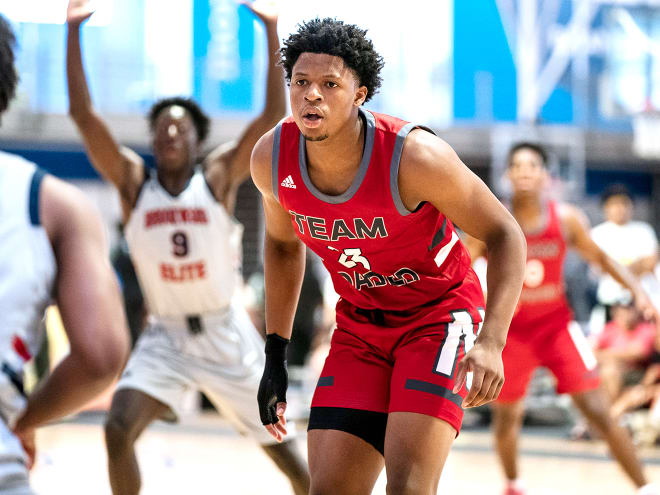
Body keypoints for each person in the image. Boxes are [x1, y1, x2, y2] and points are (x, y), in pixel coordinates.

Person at [251, 18, 527, 494]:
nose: (311, 95)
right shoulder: (272, 158)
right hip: (359, 324)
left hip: (437, 317)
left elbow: (505, 233)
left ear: (360, 93)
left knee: (409, 488)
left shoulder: (415, 156)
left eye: (329, 84)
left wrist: (493, 341)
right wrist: (275, 353)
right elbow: (280, 244)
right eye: (300, 82)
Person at [65, 1, 309, 494]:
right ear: (153, 139)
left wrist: (271, 29)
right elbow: (84, 116)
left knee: (287, 454)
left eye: (180, 126)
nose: (170, 131)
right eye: (162, 126)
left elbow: (268, 115)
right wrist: (73, 33)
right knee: (117, 430)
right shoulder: (135, 184)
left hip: (226, 333)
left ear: (197, 139)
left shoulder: (216, 177)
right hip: (166, 338)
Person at [465, 142, 659, 495]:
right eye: (517, 166)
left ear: (545, 176)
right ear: (508, 176)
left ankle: (645, 488)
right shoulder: (492, 220)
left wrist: (639, 291)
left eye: (532, 165)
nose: (525, 171)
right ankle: (513, 484)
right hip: (510, 333)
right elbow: (459, 265)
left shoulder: (566, 218)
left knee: (599, 411)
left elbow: (602, 260)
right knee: (507, 418)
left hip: (556, 327)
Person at [0, 14, 129, 493]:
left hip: (216, 329)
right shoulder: (58, 200)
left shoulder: (210, 181)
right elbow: (102, 356)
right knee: (122, 425)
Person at [591, 184, 660, 318]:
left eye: (624, 203)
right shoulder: (597, 234)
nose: (620, 208)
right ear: (606, 208)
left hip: (645, 300)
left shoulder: (644, 230)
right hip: (612, 301)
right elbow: (600, 267)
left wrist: (618, 271)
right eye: (614, 204)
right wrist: (634, 267)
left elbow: (650, 262)